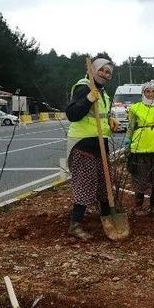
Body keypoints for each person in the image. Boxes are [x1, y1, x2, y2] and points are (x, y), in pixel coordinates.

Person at [64, 54, 121, 240]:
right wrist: (88, 98)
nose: (105, 74)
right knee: (85, 185)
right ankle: (75, 224)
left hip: (99, 145)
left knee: (104, 185)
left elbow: (101, 117)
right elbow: (72, 114)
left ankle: (107, 219)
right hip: (84, 145)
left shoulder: (103, 92)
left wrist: (110, 120)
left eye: (108, 72)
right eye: (102, 70)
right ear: (93, 70)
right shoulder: (84, 86)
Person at [125, 81, 154, 213]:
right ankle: (138, 205)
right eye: (148, 91)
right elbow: (131, 126)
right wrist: (128, 139)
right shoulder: (136, 108)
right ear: (143, 93)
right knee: (141, 177)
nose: (151, 94)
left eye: (153, 91)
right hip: (141, 147)